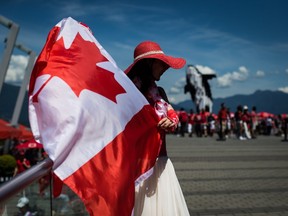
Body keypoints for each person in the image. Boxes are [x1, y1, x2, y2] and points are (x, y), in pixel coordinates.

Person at [125, 41, 190, 215]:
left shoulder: (159, 93)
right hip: (137, 166)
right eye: (161, 63)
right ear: (148, 64)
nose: (165, 67)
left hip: (160, 164)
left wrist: (172, 122)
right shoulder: (128, 93)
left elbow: (173, 116)